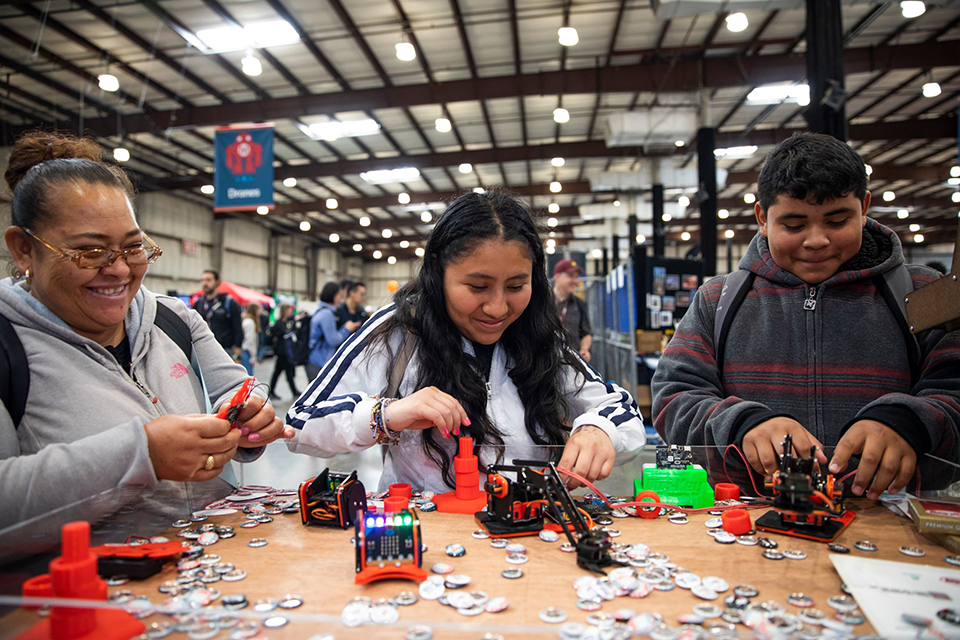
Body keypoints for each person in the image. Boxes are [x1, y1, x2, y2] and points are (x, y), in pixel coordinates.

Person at [0, 131, 294, 528]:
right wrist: (141, 455)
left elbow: (238, 388)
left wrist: (251, 415)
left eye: (133, 248)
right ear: (23, 249)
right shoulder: (8, 347)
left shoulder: (172, 319)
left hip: (214, 563)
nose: (119, 269)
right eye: (90, 252)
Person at [651, 132, 960, 498]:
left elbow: (952, 387)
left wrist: (910, 422)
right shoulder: (717, 300)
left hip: (892, 524)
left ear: (864, 207)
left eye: (836, 221)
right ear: (763, 218)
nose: (816, 240)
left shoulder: (925, 293)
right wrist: (743, 425)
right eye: (794, 225)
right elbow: (674, 397)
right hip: (750, 521)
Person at [286, 191, 644, 492]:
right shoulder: (398, 331)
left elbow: (622, 410)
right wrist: (387, 414)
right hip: (430, 545)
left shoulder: (539, 335)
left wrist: (599, 429)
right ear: (438, 269)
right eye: (477, 287)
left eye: (517, 286)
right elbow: (299, 423)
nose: (498, 307)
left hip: (529, 540)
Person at [305, 282, 360, 380]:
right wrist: (346, 329)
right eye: (339, 295)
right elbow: (332, 339)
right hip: (319, 361)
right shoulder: (327, 314)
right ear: (333, 295)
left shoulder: (320, 309)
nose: (340, 299)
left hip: (314, 358)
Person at [193, 269, 243, 362]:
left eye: (208, 280)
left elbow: (238, 329)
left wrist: (237, 355)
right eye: (203, 280)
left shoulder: (229, 302)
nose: (205, 283)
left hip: (226, 350)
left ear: (217, 281)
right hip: (205, 350)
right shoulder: (199, 303)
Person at [553, 259, 593, 362]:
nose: (575, 281)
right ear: (557, 277)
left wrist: (584, 350)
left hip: (572, 362)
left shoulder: (579, 304)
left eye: (576, 277)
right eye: (571, 276)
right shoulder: (542, 302)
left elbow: (586, 333)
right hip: (546, 362)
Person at [267, 303, 300, 399]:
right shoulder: (279, 323)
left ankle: (272, 391)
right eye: (289, 310)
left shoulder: (286, 322)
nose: (291, 312)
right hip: (282, 352)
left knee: (278, 372)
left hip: (284, 351)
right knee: (287, 371)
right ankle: (293, 391)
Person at [240, 302, 261, 376]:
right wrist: (253, 356)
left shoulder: (246, 320)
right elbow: (250, 340)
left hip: (245, 350)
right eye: (258, 310)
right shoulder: (250, 322)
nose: (260, 312)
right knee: (249, 376)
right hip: (247, 351)